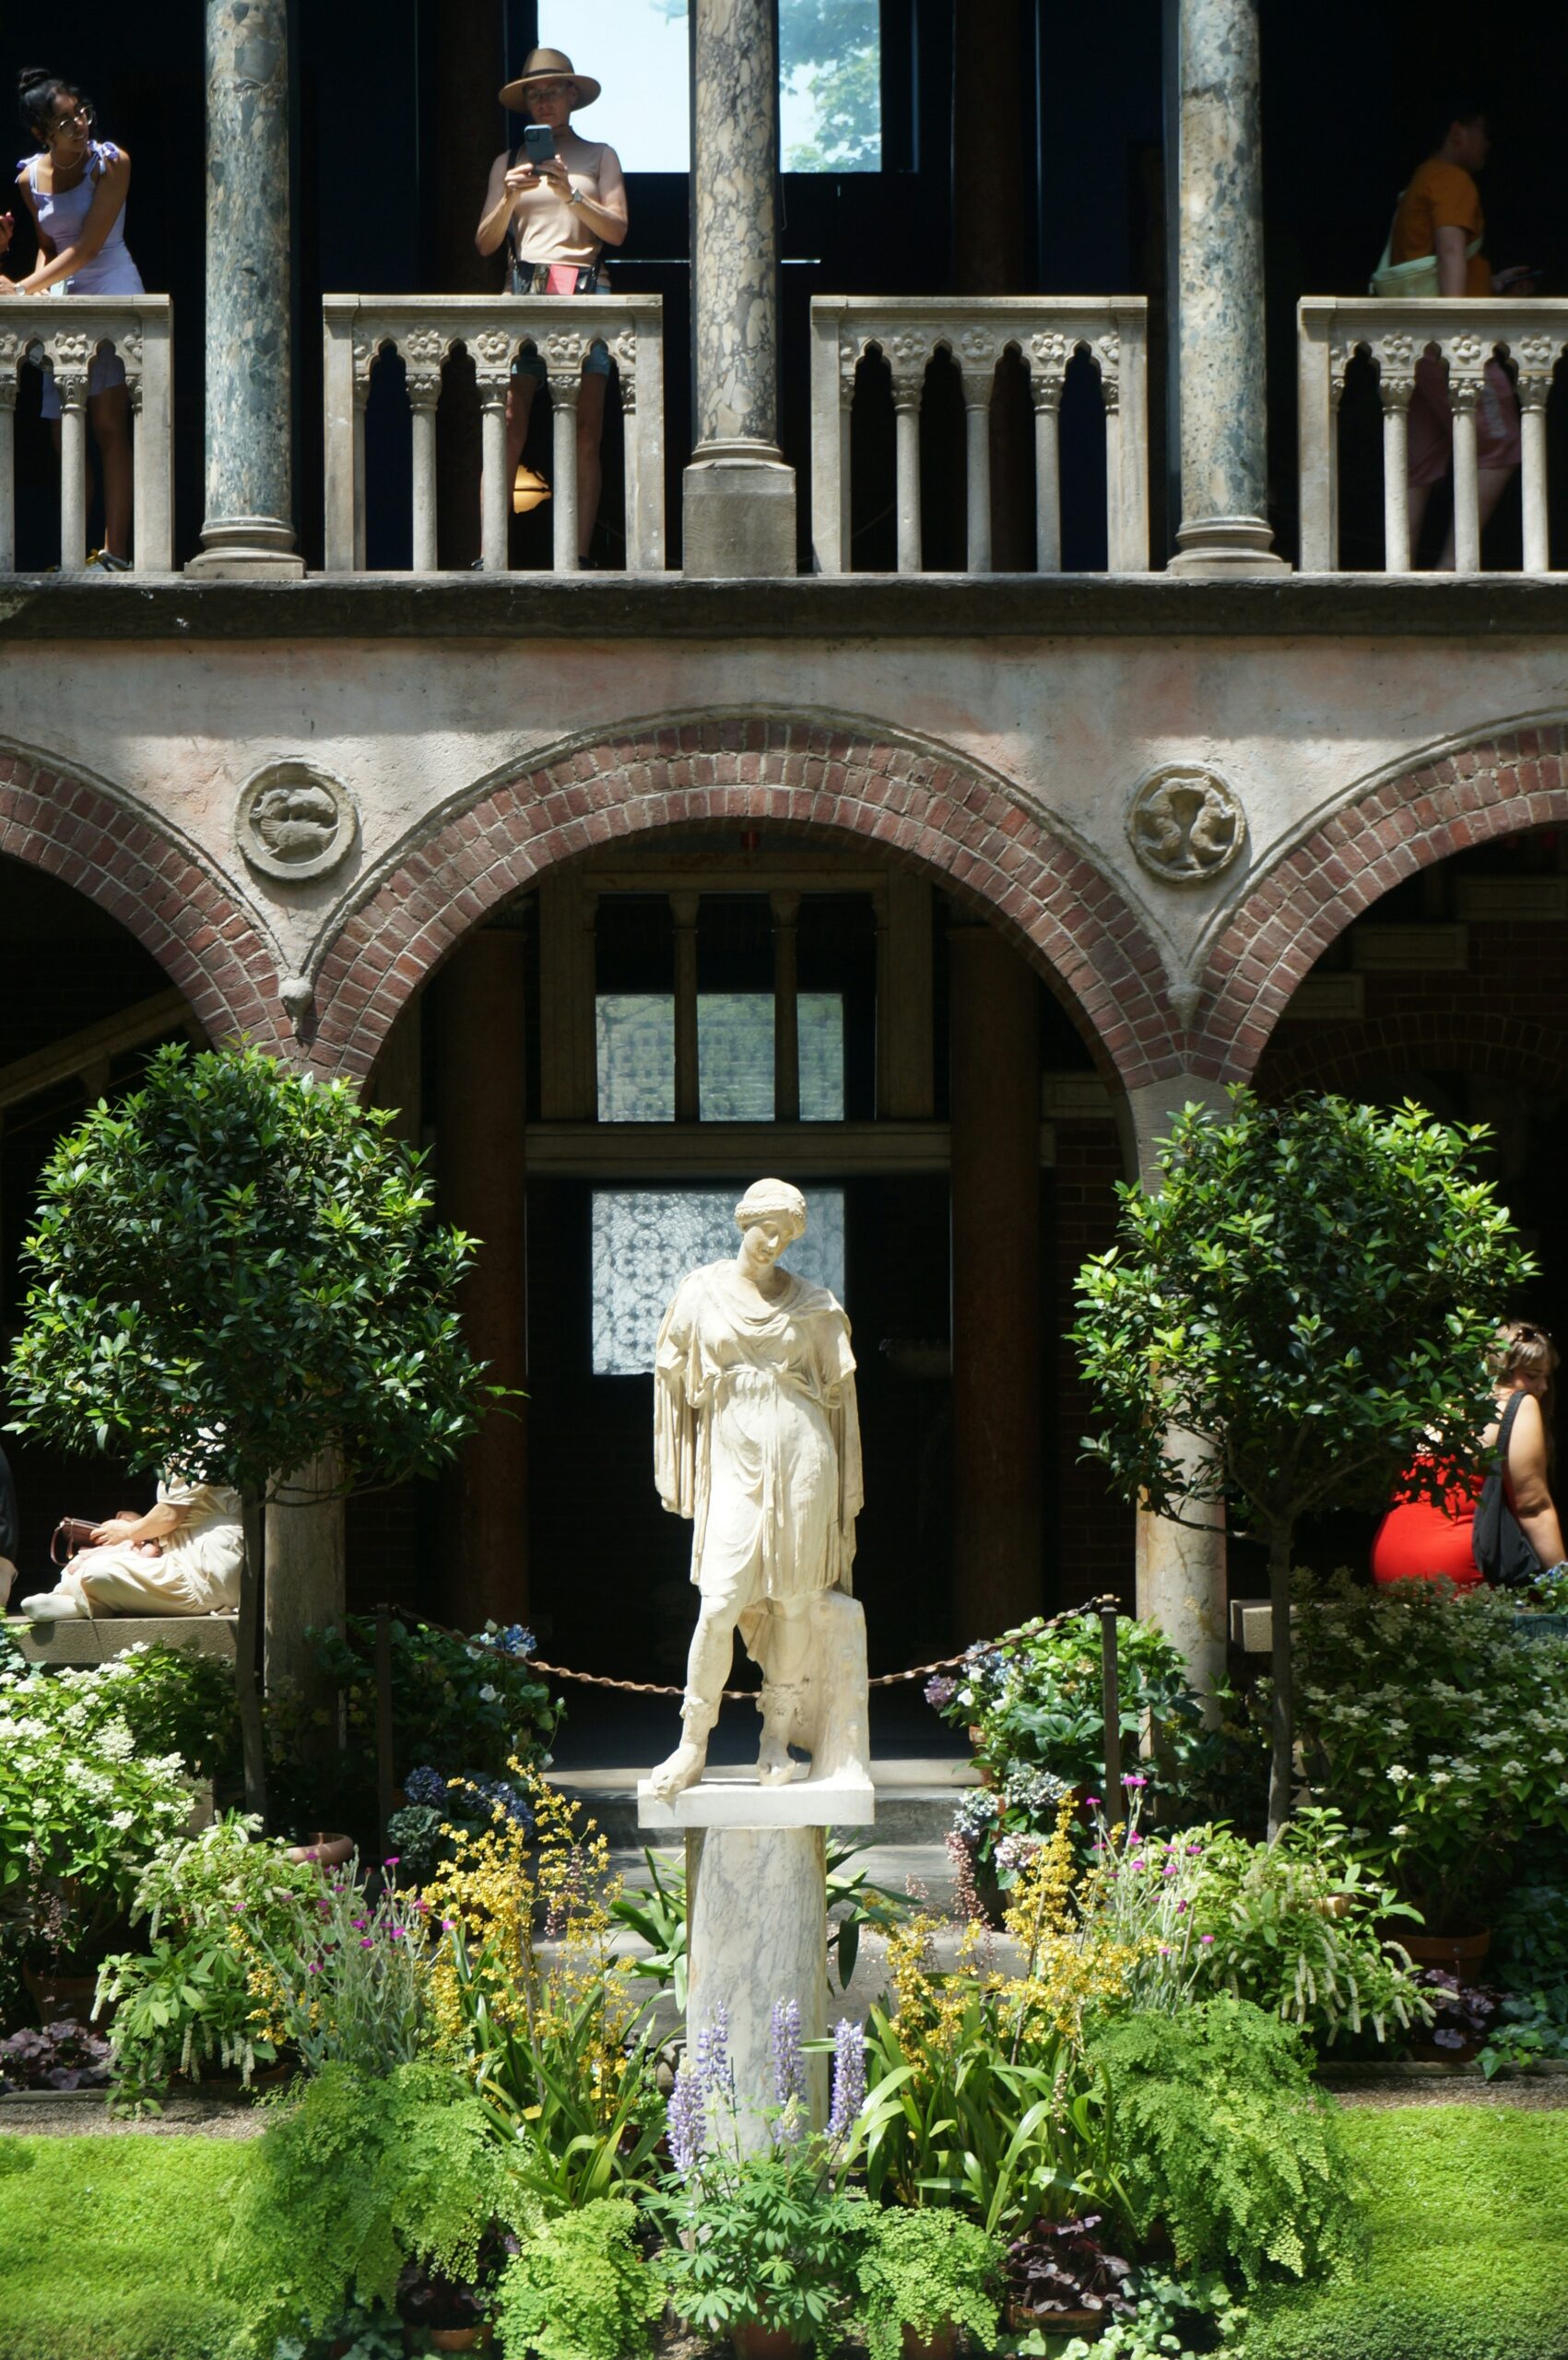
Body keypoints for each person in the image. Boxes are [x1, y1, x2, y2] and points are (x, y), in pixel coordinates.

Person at [646, 1179, 864, 1801]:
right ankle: (692, 1743)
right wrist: (674, 1464)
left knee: (794, 1601)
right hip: (732, 1457)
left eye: (787, 1232)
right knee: (718, 1604)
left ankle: (775, 1736)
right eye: (766, 1226)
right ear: (744, 1222)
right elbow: (670, 1375)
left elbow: (840, 1400)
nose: (774, 1241)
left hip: (802, 1458)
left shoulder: (814, 1303)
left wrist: (844, 1482)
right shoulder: (700, 1292)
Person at [474, 47, 628, 566]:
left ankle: (578, 554)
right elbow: (486, 243)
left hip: (585, 289)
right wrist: (509, 199)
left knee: (587, 428)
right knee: (509, 419)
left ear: (572, 96)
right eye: (533, 94)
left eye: (552, 91)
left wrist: (572, 195)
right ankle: (490, 553)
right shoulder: (508, 162)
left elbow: (619, 231)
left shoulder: (600, 155)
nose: (543, 101)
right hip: (524, 288)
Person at [1, 68, 143, 570]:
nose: (81, 124)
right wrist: (31, 295)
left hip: (109, 284)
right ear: (42, 133)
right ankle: (71, 554)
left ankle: (115, 552)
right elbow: (48, 247)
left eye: (82, 112)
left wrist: (21, 291)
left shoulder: (111, 163)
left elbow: (85, 248)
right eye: (66, 121)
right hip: (59, 296)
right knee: (67, 428)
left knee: (107, 423)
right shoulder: (27, 179)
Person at [1383, 106, 1536, 570]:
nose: (1487, 145)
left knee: (1420, 464)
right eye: (1482, 133)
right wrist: (1456, 335)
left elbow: (1430, 267)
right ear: (1457, 131)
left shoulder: (1418, 182)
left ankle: (1401, 572)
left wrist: (1488, 284)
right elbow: (1450, 252)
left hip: (1414, 347)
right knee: (1503, 437)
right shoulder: (1452, 180)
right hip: (1448, 344)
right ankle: (1453, 567)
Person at [1372, 1318, 1565, 1587]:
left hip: (1389, 1563)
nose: (1543, 1387)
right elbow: (1533, 1507)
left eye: (1546, 1376)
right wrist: (1563, 1582)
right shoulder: (1518, 1404)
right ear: (1501, 1370)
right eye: (1532, 1375)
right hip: (1453, 1568)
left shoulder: (1441, 1407)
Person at [18, 1467, 244, 1620]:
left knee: (96, 1571)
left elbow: (169, 1516)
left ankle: (76, 1604)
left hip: (203, 1569)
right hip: (184, 1559)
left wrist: (127, 1532)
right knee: (86, 1561)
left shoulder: (201, 1436)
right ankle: (77, 1603)